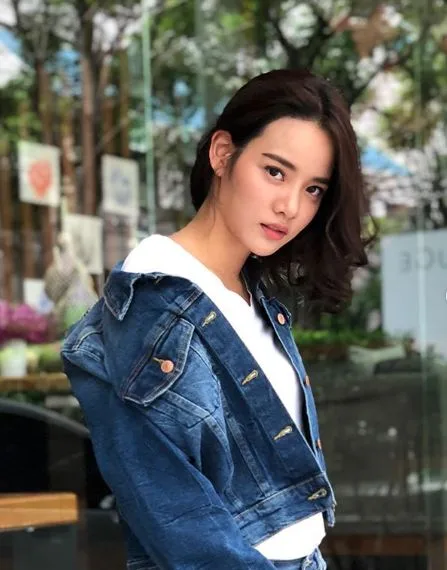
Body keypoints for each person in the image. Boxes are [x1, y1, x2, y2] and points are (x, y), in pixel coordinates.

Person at [62, 68, 371, 570]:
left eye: (314, 188)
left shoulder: (251, 296)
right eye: (275, 172)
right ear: (223, 153)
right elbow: (176, 521)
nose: (290, 206)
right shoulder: (152, 304)